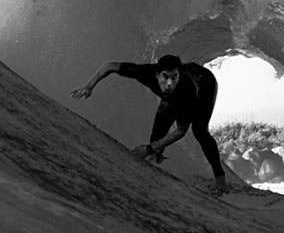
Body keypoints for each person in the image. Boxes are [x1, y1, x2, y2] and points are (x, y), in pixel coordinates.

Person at [70, 55, 229, 195]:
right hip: (182, 84)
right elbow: (110, 66)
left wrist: (148, 149)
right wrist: (89, 86)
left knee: (199, 131)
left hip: (205, 84)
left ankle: (220, 180)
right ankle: (155, 159)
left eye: (174, 77)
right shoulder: (144, 73)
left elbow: (181, 131)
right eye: (165, 77)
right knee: (161, 121)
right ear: (156, 74)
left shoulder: (185, 89)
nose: (169, 83)